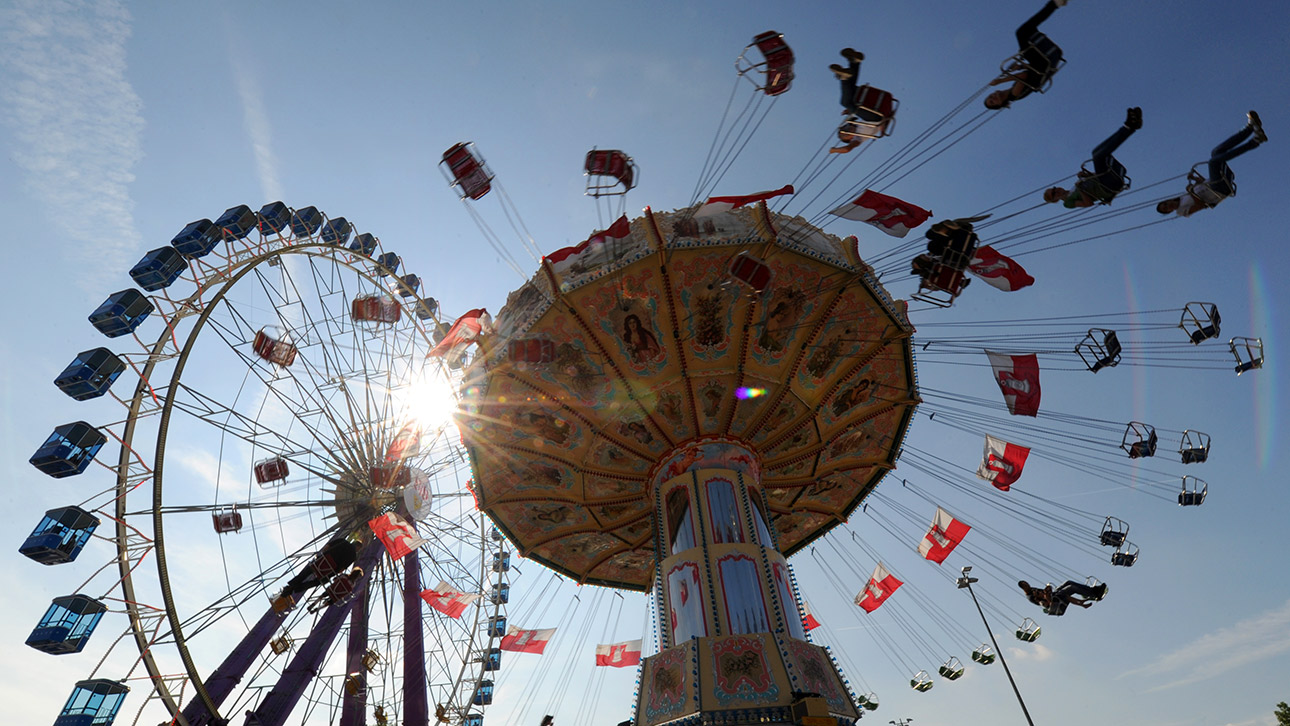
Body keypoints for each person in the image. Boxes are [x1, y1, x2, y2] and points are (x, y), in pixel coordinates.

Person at [1158, 111, 1267, 217]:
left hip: (1215, 183)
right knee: (1213, 162)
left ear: (1167, 200)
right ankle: (1254, 142)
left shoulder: (1183, 197)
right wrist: (1191, 192)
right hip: (1219, 190)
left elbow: (1204, 183)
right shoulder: (1181, 211)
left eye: (1166, 204)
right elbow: (1202, 205)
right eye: (1167, 209)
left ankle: (1250, 128)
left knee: (1216, 152)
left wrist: (1195, 179)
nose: (1169, 206)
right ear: (1170, 212)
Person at [1044, 107, 1142, 207]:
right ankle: (1129, 127)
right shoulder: (1068, 202)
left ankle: (1129, 126)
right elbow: (1088, 203)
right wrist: (1081, 189)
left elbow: (1097, 177)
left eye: (1054, 188)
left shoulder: (1074, 187)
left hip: (1106, 180)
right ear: (1055, 200)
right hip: (1107, 187)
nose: (1056, 191)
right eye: (1053, 193)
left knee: (1097, 152)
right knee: (1098, 156)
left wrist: (1086, 175)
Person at [985, 0, 1068, 110]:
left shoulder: (1012, 90)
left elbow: (1028, 73)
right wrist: (1000, 81)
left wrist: (1019, 67)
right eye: (993, 101)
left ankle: (1054, 4)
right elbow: (1024, 77)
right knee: (1022, 33)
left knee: (1024, 32)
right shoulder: (1014, 95)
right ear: (1000, 104)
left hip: (1039, 65)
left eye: (990, 96)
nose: (993, 97)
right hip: (1042, 66)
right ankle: (1055, 4)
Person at [829, 48, 868, 153]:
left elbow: (855, 114)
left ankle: (854, 62)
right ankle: (845, 77)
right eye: (846, 133)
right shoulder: (859, 137)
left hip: (867, 109)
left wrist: (850, 111)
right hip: (873, 117)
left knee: (851, 91)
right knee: (845, 102)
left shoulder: (856, 121)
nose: (847, 129)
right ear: (851, 138)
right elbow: (847, 149)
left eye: (844, 129)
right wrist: (834, 150)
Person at [1018, 579, 1107, 616]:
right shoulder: (1031, 597)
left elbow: (1046, 592)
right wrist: (1046, 596)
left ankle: (1092, 590)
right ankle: (1094, 594)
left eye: (1027, 583)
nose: (1028, 585)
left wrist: (1048, 590)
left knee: (1068, 582)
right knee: (1071, 588)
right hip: (1053, 602)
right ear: (1023, 588)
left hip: (1053, 595)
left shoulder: (1032, 589)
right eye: (1026, 585)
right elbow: (1047, 604)